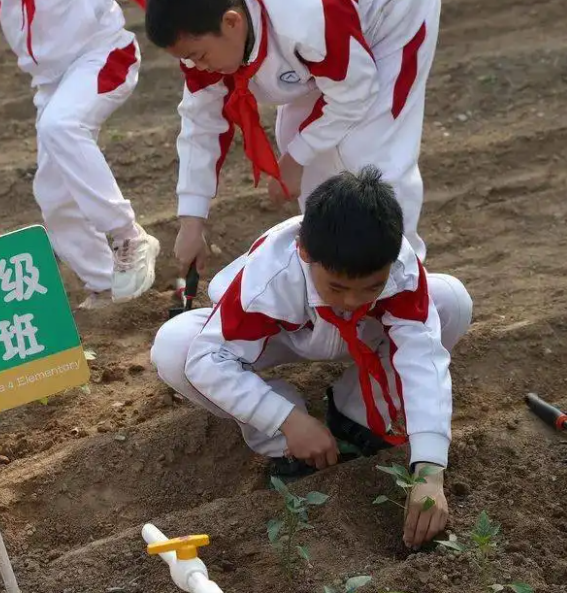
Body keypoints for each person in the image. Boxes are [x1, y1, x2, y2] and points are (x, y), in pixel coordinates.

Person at [149, 166, 473, 549]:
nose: (352, 299)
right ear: (304, 252)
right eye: (337, 286)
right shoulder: (270, 278)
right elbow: (207, 360)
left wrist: (430, 471)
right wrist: (285, 420)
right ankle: (288, 444)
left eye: (371, 286)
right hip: (280, 334)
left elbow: (422, 357)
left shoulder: (398, 267)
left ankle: (357, 414)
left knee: (451, 299)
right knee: (175, 348)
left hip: (362, 332)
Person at [143, 0, 440, 278]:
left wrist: (296, 158)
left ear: (232, 23)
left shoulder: (305, 14)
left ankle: (399, 276)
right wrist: (191, 222)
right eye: (187, 58)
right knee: (297, 141)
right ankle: (331, 272)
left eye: (200, 55)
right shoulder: (206, 45)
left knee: (373, 153)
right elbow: (201, 127)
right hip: (333, 27)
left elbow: (356, 92)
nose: (196, 66)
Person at [0, 0, 160, 310]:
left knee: (62, 127)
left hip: (102, 54)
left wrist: (181, 24)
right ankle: (105, 283)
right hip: (46, 78)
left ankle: (129, 235)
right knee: (53, 195)